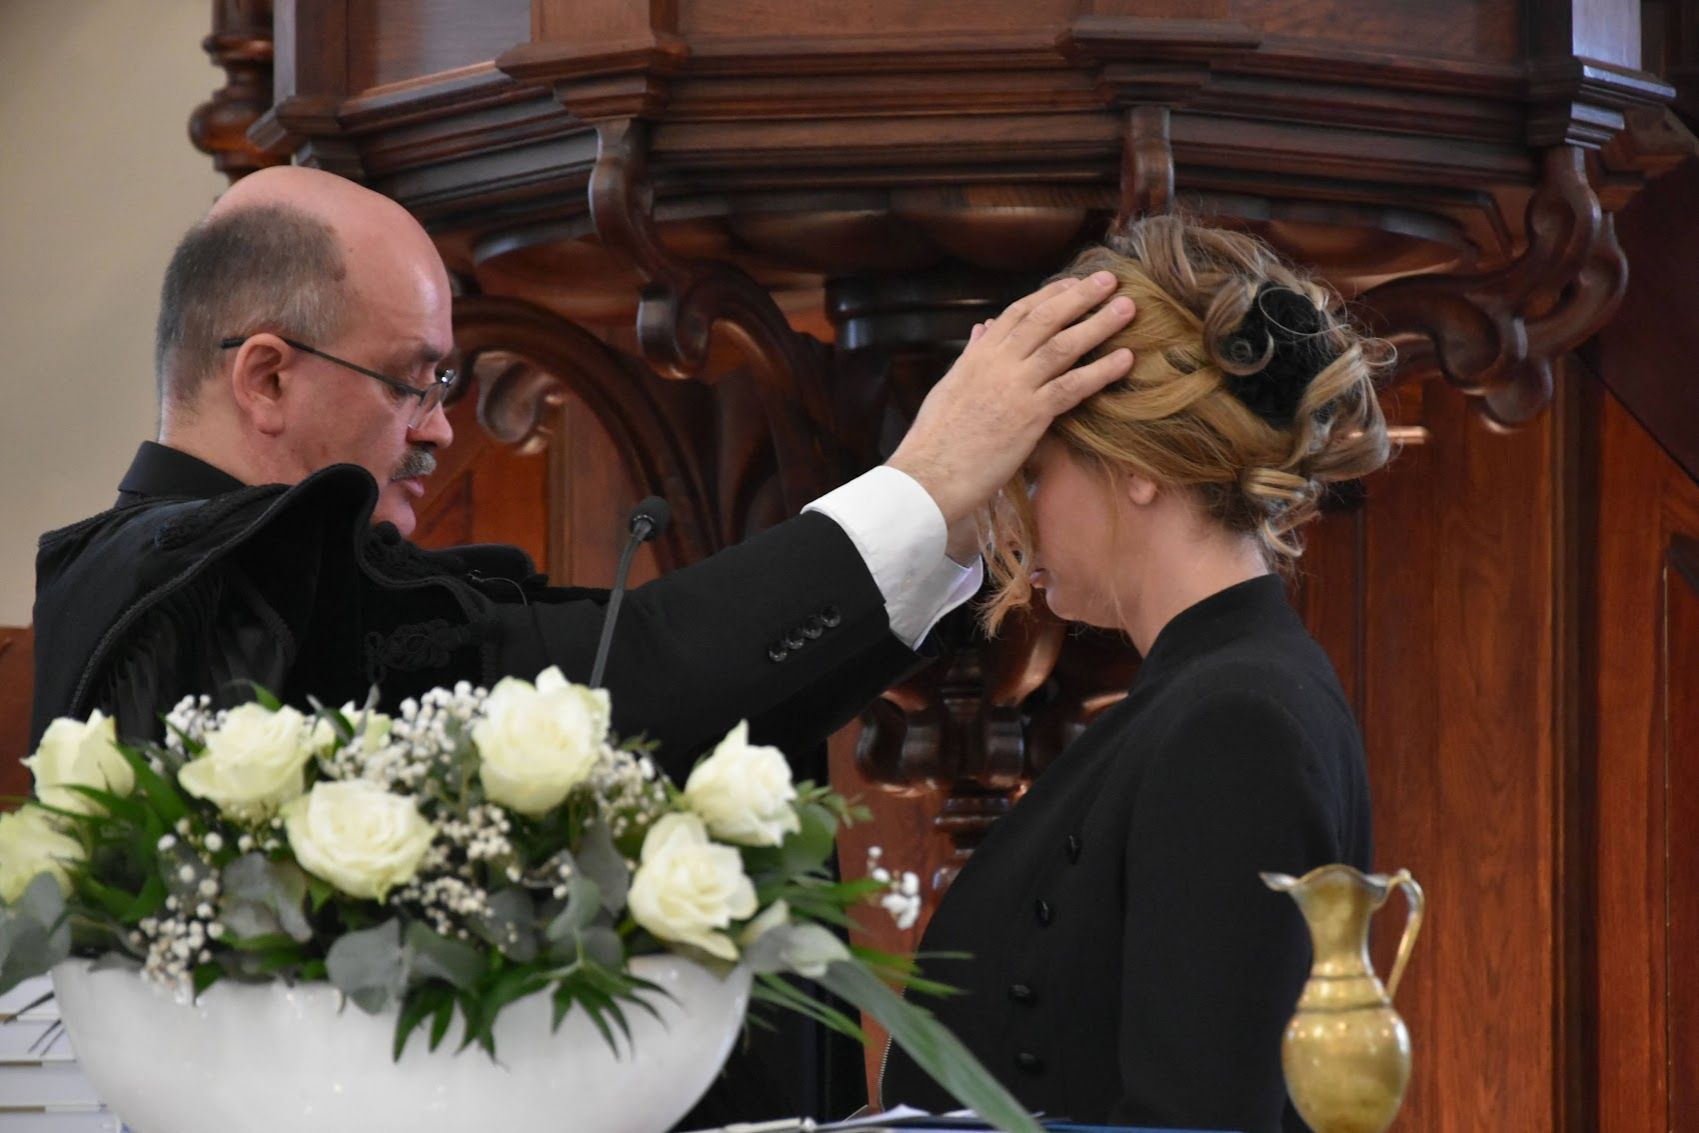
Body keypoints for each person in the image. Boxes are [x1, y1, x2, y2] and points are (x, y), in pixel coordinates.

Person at [28, 165, 1138, 782]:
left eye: (446, 383)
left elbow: (689, 705)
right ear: (267, 377)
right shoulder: (208, 585)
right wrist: (923, 475)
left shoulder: (259, 566)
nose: (440, 430)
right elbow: (624, 682)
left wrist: (950, 526)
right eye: (412, 381)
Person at [878, 215, 1393, 1132]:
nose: (1012, 515)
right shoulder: (1211, 693)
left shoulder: (1234, 722)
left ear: (1137, 469)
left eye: (1037, 472)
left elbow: (1200, 1118)